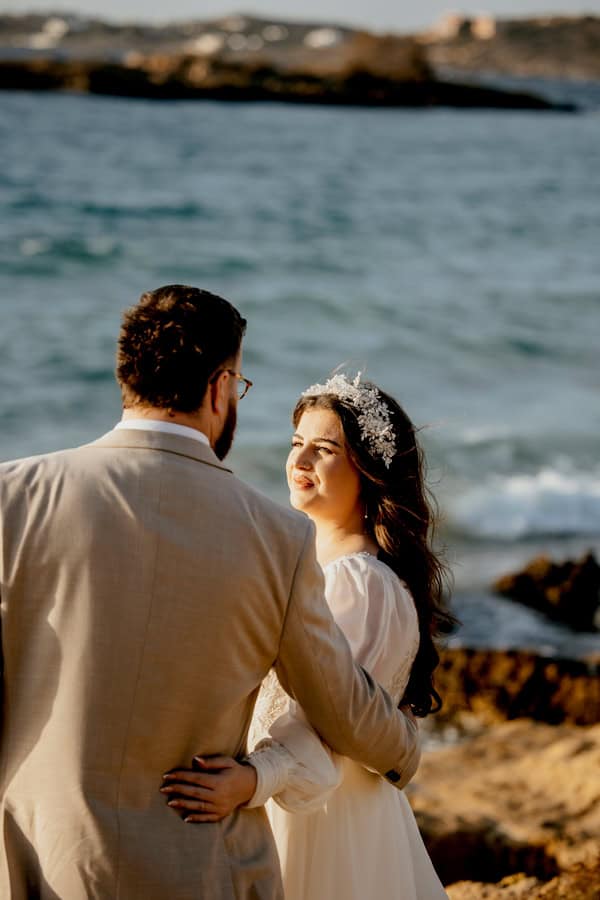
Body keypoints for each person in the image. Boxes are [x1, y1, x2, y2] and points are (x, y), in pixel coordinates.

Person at [0, 286, 421, 900]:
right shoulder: (277, 537)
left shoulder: (13, 496)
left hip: (39, 855)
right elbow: (342, 702)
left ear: (127, 375)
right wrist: (404, 747)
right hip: (203, 867)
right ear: (221, 387)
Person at [164, 372, 452, 899]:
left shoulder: (358, 581)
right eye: (297, 444)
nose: (299, 462)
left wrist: (254, 780)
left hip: (323, 820)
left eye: (324, 450)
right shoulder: (326, 567)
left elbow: (336, 717)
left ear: (368, 470)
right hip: (314, 802)